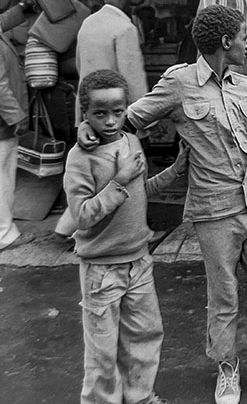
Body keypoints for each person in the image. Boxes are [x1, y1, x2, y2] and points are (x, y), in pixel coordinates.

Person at [78, 5, 247, 404]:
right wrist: (86, 128)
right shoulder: (178, 84)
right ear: (225, 42)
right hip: (213, 209)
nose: (246, 41)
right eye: (241, 35)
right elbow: (126, 120)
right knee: (224, 296)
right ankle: (227, 368)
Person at [65, 69, 186, 404]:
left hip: (139, 261)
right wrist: (118, 179)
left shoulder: (132, 141)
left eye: (118, 112)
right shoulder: (79, 158)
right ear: (84, 115)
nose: (110, 121)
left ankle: (140, 396)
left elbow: (139, 192)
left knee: (145, 337)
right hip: (101, 270)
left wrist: (174, 172)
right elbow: (83, 215)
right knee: (102, 353)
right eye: (99, 114)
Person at [76, 0, 148, 114]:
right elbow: (133, 77)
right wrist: (143, 116)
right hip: (113, 109)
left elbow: (80, 64)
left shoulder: (88, 22)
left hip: (88, 104)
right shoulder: (125, 28)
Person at [0, 0, 33, 251]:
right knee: (3, 179)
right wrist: (17, 116)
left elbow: (3, 21)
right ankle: (4, 235)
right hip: (2, 124)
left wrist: (23, 6)